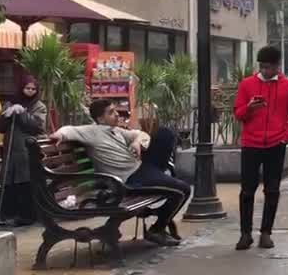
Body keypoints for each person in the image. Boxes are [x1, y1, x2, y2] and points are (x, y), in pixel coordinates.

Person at [52, 99, 189, 247]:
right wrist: (59, 135)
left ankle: (163, 215)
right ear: (100, 119)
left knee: (164, 134)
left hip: (142, 168)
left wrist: (137, 142)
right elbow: (69, 130)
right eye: (111, 112)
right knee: (183, 190)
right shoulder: (91, 132)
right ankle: (157, 229)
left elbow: (142, 134)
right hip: (130, 179)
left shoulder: (117, 131)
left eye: (115, 110)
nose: (117, 114)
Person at [233, 45, 288, 251]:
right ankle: (245, 234)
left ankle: (265, 233)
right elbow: (238, 113)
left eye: (269, 67)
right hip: (251, 144)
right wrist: (249, 108)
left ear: (277, 66)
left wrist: (285, 137)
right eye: (262, 66)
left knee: (272, 190)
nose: (265, 71)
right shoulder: (247, 85)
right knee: (247, 190)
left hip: (275, 144)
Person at [0, 76, 48, 227]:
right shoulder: (10, 103)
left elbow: (36, 126)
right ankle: (5, 214)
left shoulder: (39, 106)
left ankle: (26, 215)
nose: (30, 91)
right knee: (9, 181)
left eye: (33, 89)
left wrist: (22, 113)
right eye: (27, 88)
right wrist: (7, 114)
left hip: (27, 150)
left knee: (24, 181)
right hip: (11, 150)